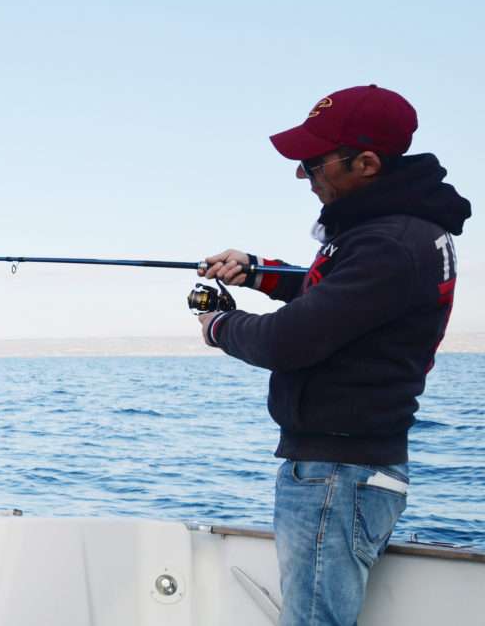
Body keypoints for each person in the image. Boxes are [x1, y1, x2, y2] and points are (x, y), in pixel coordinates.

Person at [196, 84, 471, 626]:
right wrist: (258, 271)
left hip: (337, 474)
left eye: (313, 162)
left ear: (365, 163)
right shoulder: (395, 232)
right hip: (349, 469)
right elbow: (343, 299)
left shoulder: (388, 242)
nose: (304, 175)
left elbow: (288, 341)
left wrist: (218, 326)